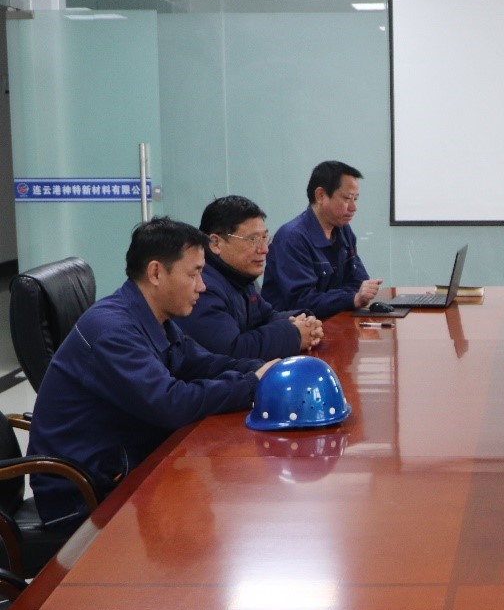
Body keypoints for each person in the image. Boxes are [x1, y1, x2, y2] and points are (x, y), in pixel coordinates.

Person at [28, 218, 277, 533]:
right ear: (156, 273)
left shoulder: (151, 316)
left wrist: (262, 369)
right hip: (83, 496)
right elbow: (170, 403)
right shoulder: (113, 331)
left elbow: (201, 363)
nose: (202, 286)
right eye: (194, 274)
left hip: (123, 464)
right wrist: (252, 385)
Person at [175, 195, 323, 359]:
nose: (264, 249)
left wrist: (304, 320)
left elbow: (266, 317)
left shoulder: (239, 276)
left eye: (264, 238)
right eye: (253, 239)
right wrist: (294, 334)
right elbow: (232, 351)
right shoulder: (202, 288)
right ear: (215, 243)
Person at [262, 160, 382, 318]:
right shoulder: (292, 237)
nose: (353, 208)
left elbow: (358, 281)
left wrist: (348, 297)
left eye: (355, 199)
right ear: (320, 195)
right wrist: (351, 298)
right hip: (295, 327)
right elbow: (302, 301)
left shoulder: (343, 230)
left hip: (333, 319)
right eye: (347, 199)